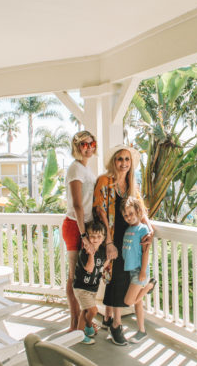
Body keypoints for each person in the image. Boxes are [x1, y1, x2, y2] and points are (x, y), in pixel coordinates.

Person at [93, 145, 154, 346]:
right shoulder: (104, 181)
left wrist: (150, 228)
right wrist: (109, 241)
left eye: (127, 159)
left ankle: (109, 318)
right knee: (116, 279)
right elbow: (100, 211)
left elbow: (140, 210)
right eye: (120, 159)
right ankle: (116, 324)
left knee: (120, 279)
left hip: (129, 238)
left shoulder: (131, 186)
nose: (124, 163)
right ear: (114, 161)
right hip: (112, 239)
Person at [62, 131, 97, 331]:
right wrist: (84, 235)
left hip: (86, 226)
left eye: (92, 143)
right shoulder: (75, 169)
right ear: (77, 146)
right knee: (74, 276)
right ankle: (74, 323)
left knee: (84, 276)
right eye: (85, 144)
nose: (89, 147)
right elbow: (77, 205)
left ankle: (84, 320)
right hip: (76, 227)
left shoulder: (86, 169)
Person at [121, 196, 156, 343]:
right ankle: (141, 330)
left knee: (129, 301)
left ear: (138, 211)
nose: (128, 217)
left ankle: (149, 286)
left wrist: (143, 271)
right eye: (126, 215)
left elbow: (146, 250)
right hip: (131, 270)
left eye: (131, 213)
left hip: (139, 271)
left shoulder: (142, 229)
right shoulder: (130, 228)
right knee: (137, 303)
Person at [72, 220, 110, 345]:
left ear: (103, 238)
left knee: (85, 311)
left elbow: (100, 267)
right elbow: (89, 268)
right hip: (82, 287)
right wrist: (91, 255)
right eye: (92, 236)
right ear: (87, 237)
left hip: (93, 288)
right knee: (93, 311)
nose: (95, 239)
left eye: (99, 236)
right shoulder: (85, 252)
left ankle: (81, 332)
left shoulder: (103, 251)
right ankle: (87, 327)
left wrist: (109, 260)